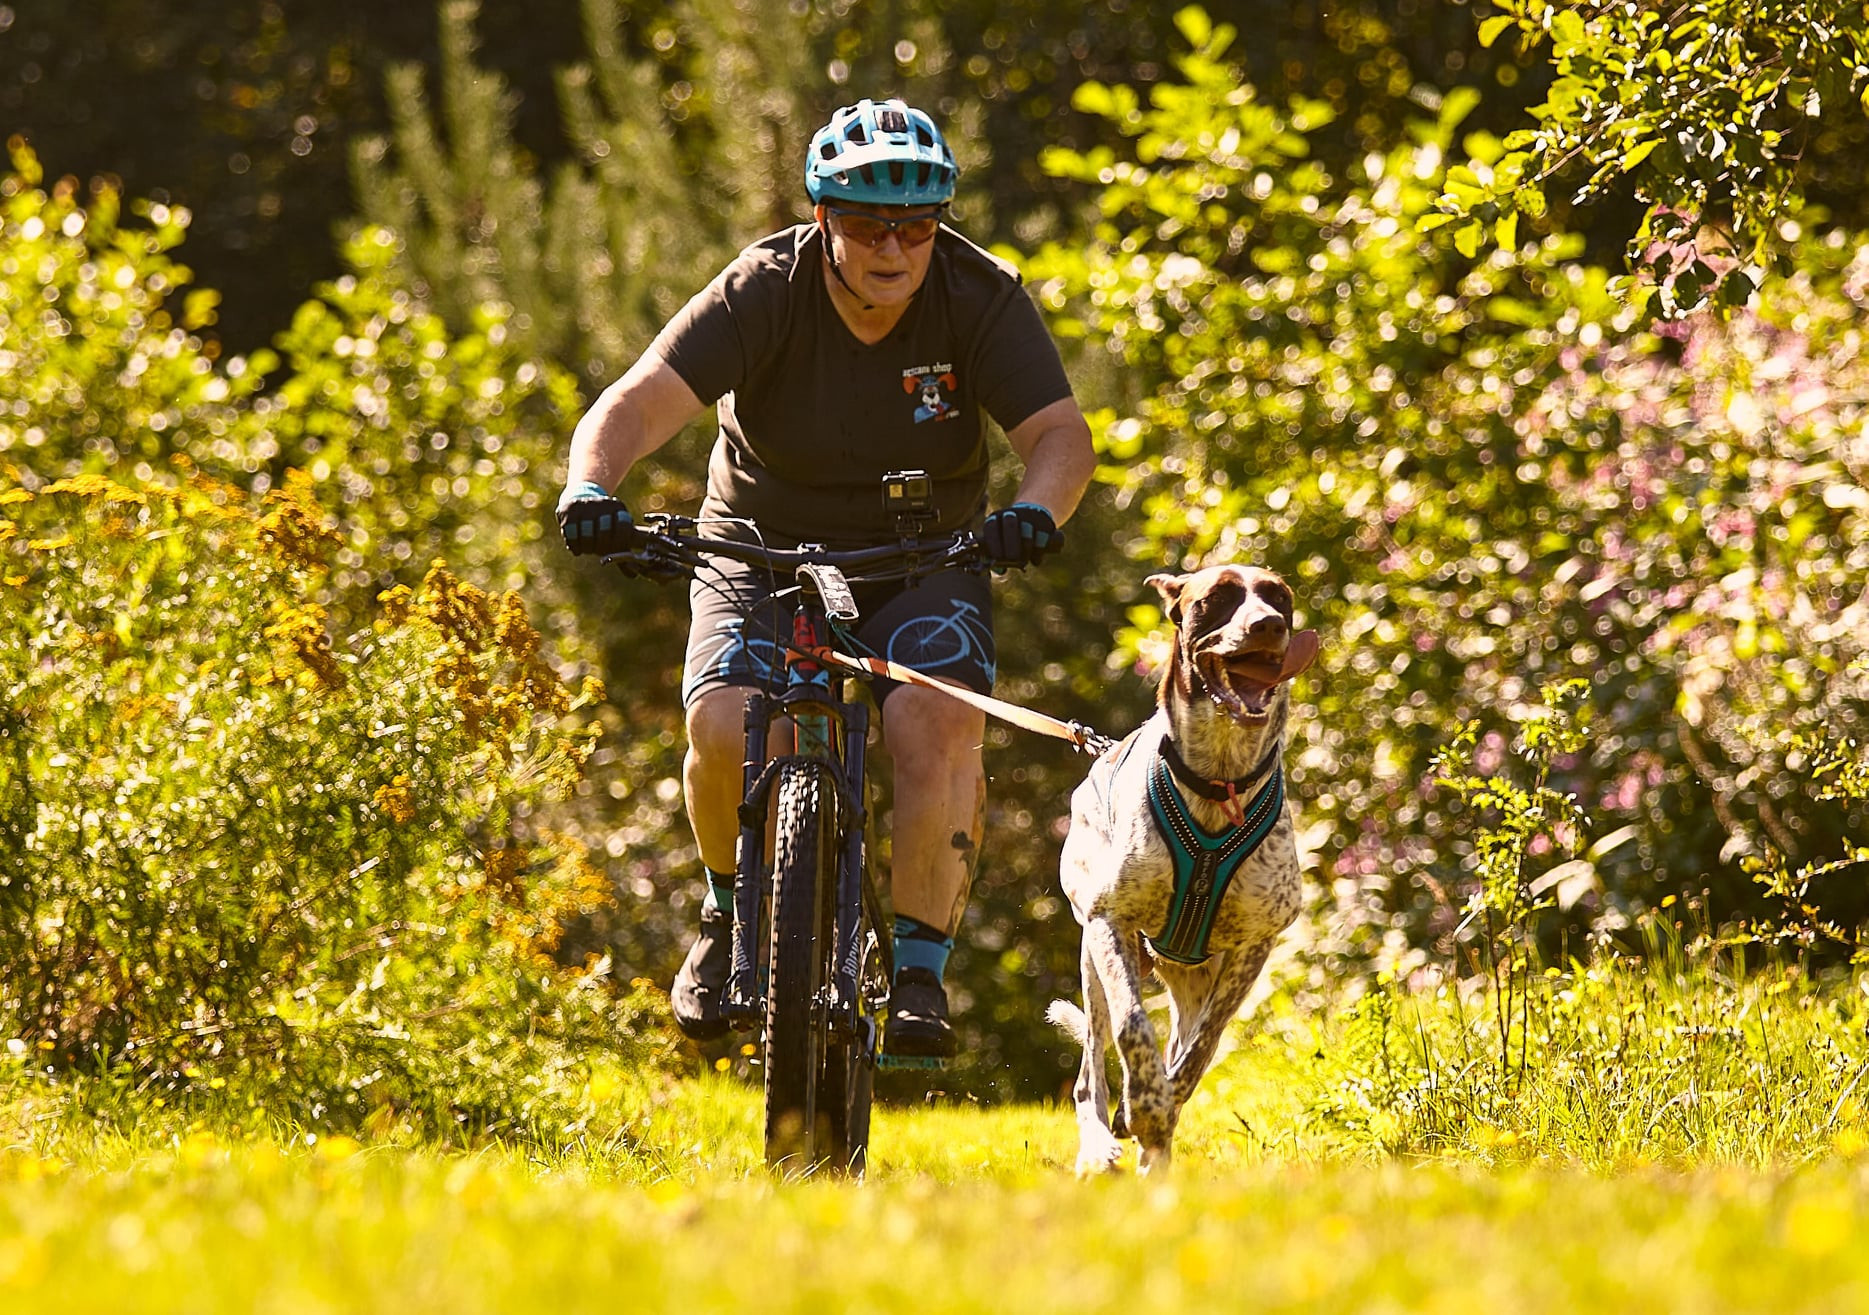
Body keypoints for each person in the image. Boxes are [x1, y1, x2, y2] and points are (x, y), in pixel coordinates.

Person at [557, 97, 1096, 1059]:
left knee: (934, 723)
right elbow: (635, 403)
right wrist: (590, 488)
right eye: (862, 223)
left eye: (915, 226)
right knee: (725, 723)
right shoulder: (761, 289)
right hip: (759, 546)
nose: (891, 247)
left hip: (924, 556)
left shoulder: (978, 297)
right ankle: (728, 917)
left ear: (938, 225)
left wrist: (1033, 515)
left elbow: (1059, 435)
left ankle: (922, 973)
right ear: (821, 220)